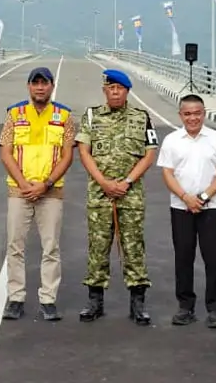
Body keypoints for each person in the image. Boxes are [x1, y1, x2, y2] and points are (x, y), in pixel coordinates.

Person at [75, 69, 159, 325]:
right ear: (104, 90)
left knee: (134, 248)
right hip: (100, 195)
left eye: (119, 88)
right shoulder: (91, 116)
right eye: (110, 88)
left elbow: (149, 154)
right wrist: (104, 182)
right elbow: (84, 151)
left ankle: (138, 304)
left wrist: (127, 182)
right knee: (98, 248)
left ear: (127, 91)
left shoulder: (141, 117)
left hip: (130, 196)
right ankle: (95, 302)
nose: (114, 92)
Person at [0, 66, 75, 322]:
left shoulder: (64, 116)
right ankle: (16, 298)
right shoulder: (14, 114)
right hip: (18, 190)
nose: (40, 87)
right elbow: (6, 152)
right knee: (15, 246)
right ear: (29, 86)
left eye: (44, 83)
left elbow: (67, 155)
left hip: (51, 191)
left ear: (52, 86)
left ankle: (48, 299)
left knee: (51, 247)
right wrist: (23, 184)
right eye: (35, 83)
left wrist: (46, 184)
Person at [157, 94, 216, 329]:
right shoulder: (171, 140)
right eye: (187, 114)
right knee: (183, 257)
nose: (193, 118)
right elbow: (167, 173)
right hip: (181, 208)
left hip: (211, 208)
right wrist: (186, 197)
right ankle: (185, 306)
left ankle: (214, 309)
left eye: (197, 113)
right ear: (180, 115)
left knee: (213, 259)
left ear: (204, 113)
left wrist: (204, 196)